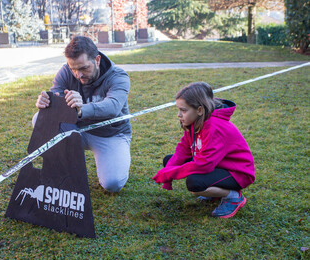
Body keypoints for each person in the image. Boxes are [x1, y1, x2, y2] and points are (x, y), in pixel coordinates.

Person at [34, 36, 132, 193]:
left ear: (97, 59)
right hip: (76, 130)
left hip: (110, 134)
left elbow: (113, 107)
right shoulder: (66, 71)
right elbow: (55, 99)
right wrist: (46, 104)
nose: (78, 75)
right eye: (73, 69)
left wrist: (82, 109)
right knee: (39, 119)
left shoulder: (118, 77)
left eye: (84, 68)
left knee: (112, 184)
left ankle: (111, 158)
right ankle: (65, 167)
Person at [153, 82, 255, 218]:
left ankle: (234, 196)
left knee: (195, 184)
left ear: (200, 110)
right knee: (169, 160)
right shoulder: (196, 121)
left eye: (183, 110)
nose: (179, 115)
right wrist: (168, 173)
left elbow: (204, 165)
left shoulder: (214, 127)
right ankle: (214, 194)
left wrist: (171, 173)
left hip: (238, 172)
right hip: (217, 165)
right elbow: (183, 149)